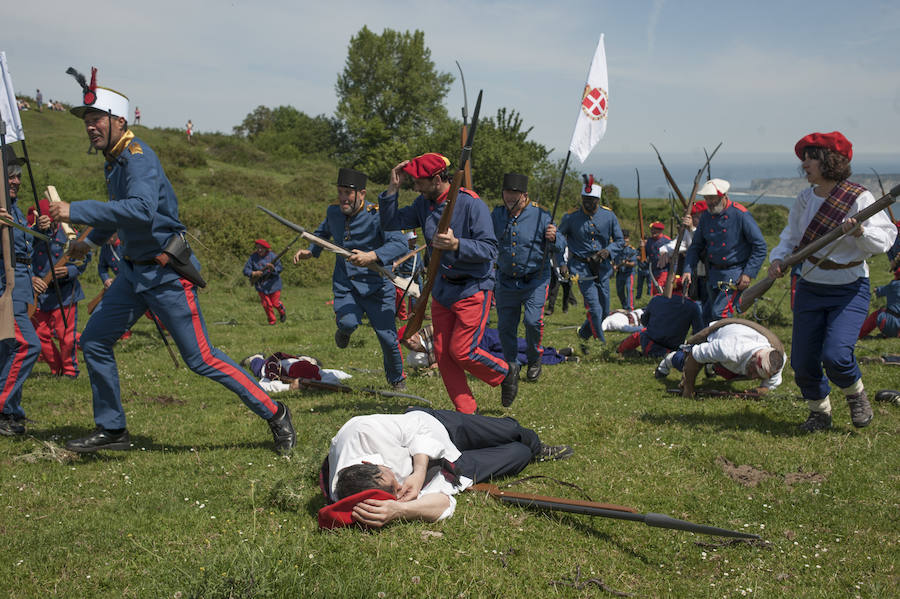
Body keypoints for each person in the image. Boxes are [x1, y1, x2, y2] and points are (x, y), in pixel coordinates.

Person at [49, 71, 295, 453]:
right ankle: (113, 430)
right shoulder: (112, 161)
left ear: (119, 121)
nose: (90, 128)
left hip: (165, 275)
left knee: (203, 360)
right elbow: (118, 215)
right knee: (95, 341)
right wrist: (89, 241)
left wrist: (75, 210)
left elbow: (141, 209)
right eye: (86, 121)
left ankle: (275, 412)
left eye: (96, 119)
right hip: (132, 274)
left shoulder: (137, 158)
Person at [768, 131, 897, 431]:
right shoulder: (804, 198)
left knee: (836, 356)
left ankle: (856, 395)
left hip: (849, 288)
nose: (805, 164)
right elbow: (791, 237)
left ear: (830, 161)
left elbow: (887, 239)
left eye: (811, 157)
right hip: (811, 287)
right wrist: (779, 258)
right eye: (805, 158)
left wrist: (860, 233)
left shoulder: (860, 197)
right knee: (802, 361)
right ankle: (819, 411)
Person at [379, 153, 514, 412]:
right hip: (442, 288)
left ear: (438, 179)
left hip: (473, 287)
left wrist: (457, 244)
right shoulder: (422, 204)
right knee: (442, 354)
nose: (416, 187)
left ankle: (505, 373)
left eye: (419, 182)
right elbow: (390, 222)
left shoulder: (471, 204)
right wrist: (392, 189)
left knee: (462, 351)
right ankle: (467, 412)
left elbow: (489, 250)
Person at [319, 407, 573, 528]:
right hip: (448, 471)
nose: (400, 486)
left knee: (511, 431)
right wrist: (401, 509)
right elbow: (443, 503)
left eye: (394, 481)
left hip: (438, 427)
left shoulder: (362, 430)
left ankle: (539, 447)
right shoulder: (357, 496)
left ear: (369, 463)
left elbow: (418, 428)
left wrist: (417, 473)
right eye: (395, 491)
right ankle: (529, 452)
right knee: (518, 454)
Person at [294, 167, 407, 390]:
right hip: (346, 285)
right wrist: (311, 251)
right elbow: (322, 234)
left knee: (388, 338)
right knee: (347, 322)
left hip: (377, 287)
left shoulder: (379, 214)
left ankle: (397, 380)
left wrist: (372, 256)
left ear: (362, 194)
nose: (344, 198)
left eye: (349, 193)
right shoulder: (333, 212)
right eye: (341, 192)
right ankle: (344, 331)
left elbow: (399, 244)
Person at [490, 173, 563, 383]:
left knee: (532, 321)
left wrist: (555, 237)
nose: (510, 197)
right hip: (505, 280)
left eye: (515, 194)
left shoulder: (541, 215)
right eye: (507, 193)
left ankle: (534, 359)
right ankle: (512, 365)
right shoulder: (496, 215)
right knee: (505, 327)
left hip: (535, 279)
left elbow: (561, 245)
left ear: (525, 195)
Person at [683, 178, 767, 324]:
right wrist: (687, 270)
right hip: (713, 274)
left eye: (712, 198)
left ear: (723, 196)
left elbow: (760, 246)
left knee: (720, 314)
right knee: (708, 316)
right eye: (706, 198)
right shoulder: (706, 217)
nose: (708, 202)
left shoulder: (740, 214)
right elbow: (696, 246)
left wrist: (748, 274)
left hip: (734, 275)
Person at [0, 146, 41, 437]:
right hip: (6, 293)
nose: (16, 180)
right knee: (27, 346)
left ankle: (13, 412)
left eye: (17, 175)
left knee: (7, 353)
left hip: (22, 293)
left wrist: (41, 231)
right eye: (10, 174)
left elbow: (23, 251)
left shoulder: (14, 208)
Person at [558, 175, 624, 344]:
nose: (588, 203)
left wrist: (608, 251)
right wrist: (562, 262)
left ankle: (584, 334)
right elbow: (558, 239)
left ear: (598, 200)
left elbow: (620, 241)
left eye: (592, 200)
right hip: (580, 267)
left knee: (604, 310)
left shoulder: (609, 216)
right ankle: (600, 343)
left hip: (602, 267)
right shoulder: (570, 218)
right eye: (585, 199)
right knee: (594, 308)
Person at [29, 204, 91, 377]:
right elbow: (22, 256)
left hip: (64, 292)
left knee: (66, 336)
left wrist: (70, 271)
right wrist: (32, 278)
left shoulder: (70, 234)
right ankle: (57, 369)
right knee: (40, 335)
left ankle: (70, 371)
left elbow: (84, 258)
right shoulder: (32, 234)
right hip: (40, 292)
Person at [655, 319, 785, 398]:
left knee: (731, 372)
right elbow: (694, 357)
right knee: (683, 361)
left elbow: (768, 387)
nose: (754, 377)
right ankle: (668, 360)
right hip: (719, 335)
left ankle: (713, 367)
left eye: (759, 376)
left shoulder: (777, 361)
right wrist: (689, 389)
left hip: (735, 349)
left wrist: (753, 393)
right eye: (755, 372)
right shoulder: (728, 349)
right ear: (754, 357)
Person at [400, 324, 577, 371]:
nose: (410, 343)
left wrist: (434, 362)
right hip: (472, 351)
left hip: (480, 337)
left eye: (409, 338)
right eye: (405, 343)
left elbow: (437, 346)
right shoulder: (413, 358)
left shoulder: (428, 330)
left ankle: (552, 350)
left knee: (517, 343)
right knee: (515, 358)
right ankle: (560, 358)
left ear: (414, 333)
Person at [616, 276, 703, 358]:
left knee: (640, 334)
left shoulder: (656, 299)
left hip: (650, 346)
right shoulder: (693, 306)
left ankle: (620, 351)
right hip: (673, 351)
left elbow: (644, 322)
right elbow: (698, 331)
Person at [659, 201, 708, 302]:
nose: (692, 220)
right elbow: (677, 244)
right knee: (694, 300)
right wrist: (664, 250)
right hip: (695, 272)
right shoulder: (688, 231)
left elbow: (701, 243)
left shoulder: (710, 228)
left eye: (695, 217)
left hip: (710, 272)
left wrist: (691, 229)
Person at [244, 238, 286, 325]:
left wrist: (273, 268)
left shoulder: (273, 256)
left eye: (261, 248)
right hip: (261, 285)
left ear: (265, 248)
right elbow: (245, 270)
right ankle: (272, 321)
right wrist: (253, 273)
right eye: (258, 248)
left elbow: (280, 268)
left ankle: (282, 312)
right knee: (266, 304)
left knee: (275, 303)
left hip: (274, 283)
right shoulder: (253, 257)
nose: (259, 250)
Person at [858, 266, 900, 338]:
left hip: (892, 325)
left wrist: (876, 289)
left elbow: (878, 291)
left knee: (878, 314)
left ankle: (860, 334)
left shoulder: (894, 285)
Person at [642, 221, 670, 296]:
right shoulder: (650, 241)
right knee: (654, 291)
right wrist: (643, 248)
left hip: (664, 270)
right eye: (652, 229)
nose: (652, 231)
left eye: (655, 229)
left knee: (660, 288)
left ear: (660, 230)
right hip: (654, 271)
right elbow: (646, 254)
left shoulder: (667, 241)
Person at [614, 229, 638, 310]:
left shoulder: (632, 249)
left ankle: (630, 308)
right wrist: (614, 265)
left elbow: (633, 263)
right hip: (620, 273)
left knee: (629, 290)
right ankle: (624, 306)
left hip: (629, 273)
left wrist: (626, 264)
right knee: (619, 291)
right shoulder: (616, 249)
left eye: (626, 238)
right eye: (623, 238)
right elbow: (613, 260)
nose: (625, 240)